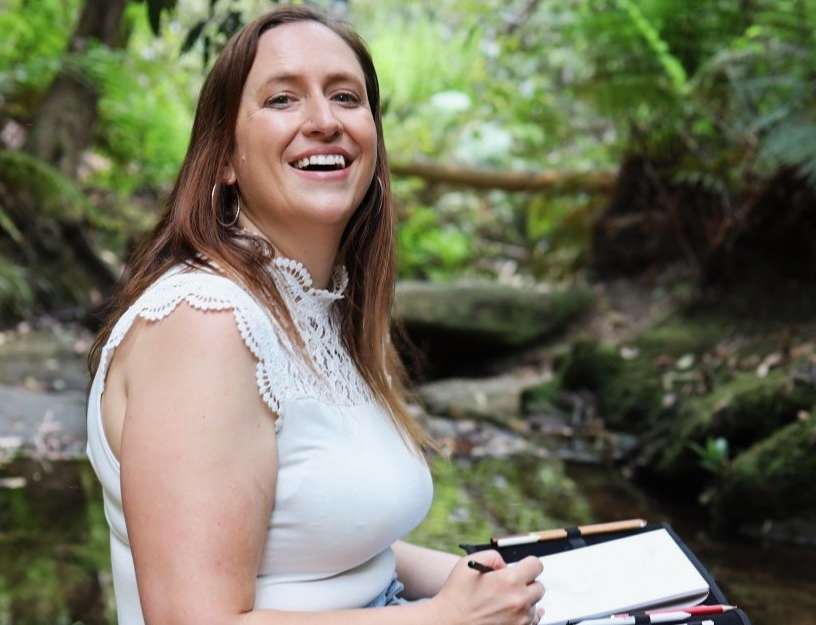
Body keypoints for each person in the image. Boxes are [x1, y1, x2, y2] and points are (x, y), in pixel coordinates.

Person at [84, 6, 546, 625]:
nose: (325, 121)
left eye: (346, 97)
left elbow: (326, 542)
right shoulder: (203, 321)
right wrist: (445, 619)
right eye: (283, 99)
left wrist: (496, 582)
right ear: (223, 157)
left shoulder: (318, 308)